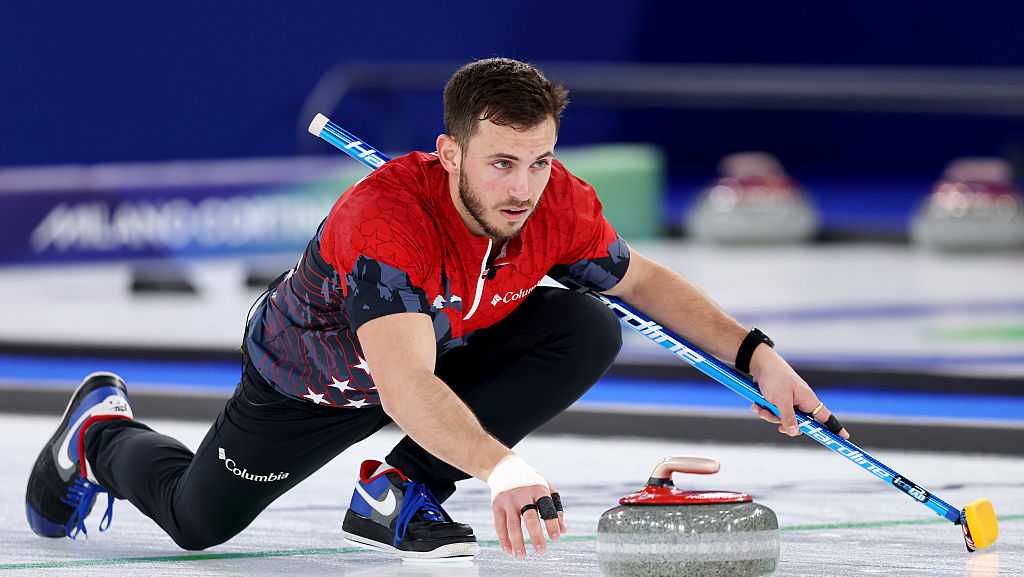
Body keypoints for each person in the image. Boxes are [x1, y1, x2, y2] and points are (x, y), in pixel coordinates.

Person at [25, 57, 849, 561]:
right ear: (449, 152)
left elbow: (642, 284)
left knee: (587, 321)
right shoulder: (387, 224)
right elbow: (404, 385)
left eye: (539, 160)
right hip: (317, 382)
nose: (524, 187)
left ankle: (400, 488)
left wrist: (758, 356)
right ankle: (99, 434)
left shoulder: (552, 200)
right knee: (197, 522)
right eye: (501, 164)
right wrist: (507, 468)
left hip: (446, 345)